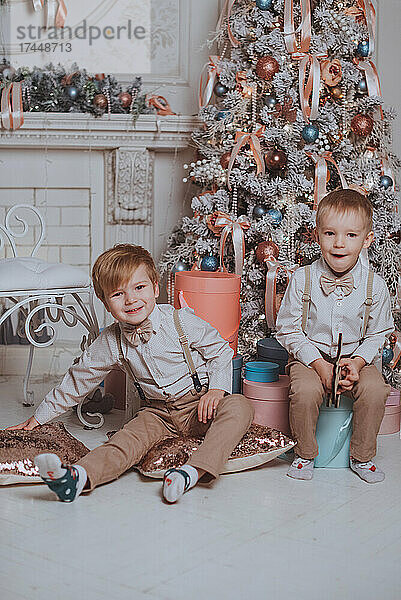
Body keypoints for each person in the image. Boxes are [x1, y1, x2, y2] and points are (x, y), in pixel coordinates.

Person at [7, 244, 253, 502]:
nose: (131, 300)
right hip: (158, 413)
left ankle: (190, 472)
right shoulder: (111, 341)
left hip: (198, 405)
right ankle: (76, 478)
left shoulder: (180, 321)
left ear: (156, 288)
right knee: (124, 441)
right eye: (118, 294)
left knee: (239, 406)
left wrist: (215, 390)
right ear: (104, 302)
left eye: (139, 288)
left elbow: (221, 352)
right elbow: (76, 382)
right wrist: (36, 420)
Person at [276, 189, 394, 483]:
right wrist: (318, 364)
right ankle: (305, 453)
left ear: (366, 240)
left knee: (376, 390)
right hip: (310, 357)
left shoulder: (375, 286)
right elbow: (287, 329)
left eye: (351, 235)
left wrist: (357, 363)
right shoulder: (302, 279)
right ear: (317, 236)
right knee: (304, 391)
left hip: (357, 359)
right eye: (330, 233)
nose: (339, 243)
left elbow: (379, 333)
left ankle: (362, 456)